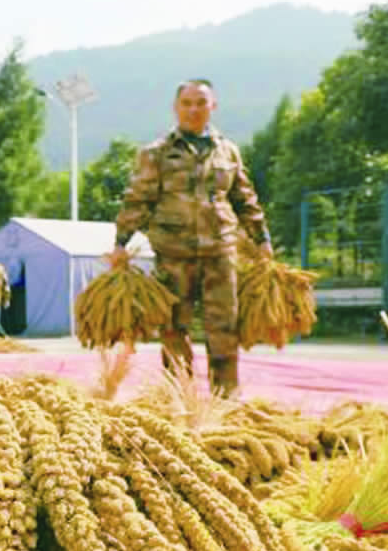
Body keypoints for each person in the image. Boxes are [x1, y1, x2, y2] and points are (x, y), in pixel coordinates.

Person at [110, 78, 272, 396]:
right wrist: (120, 243)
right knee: (173, 330)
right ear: (176, 107)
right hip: (173, 254)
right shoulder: (156, 153)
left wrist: (261, 238)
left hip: (220, 253)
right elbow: (137, 200)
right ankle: (180, 399)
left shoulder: (228, 151)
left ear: (213, 106)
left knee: (224, 330)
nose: (194, 109)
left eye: (201, 102)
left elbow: (244, 198)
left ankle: (225, 400)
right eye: (187, 103)